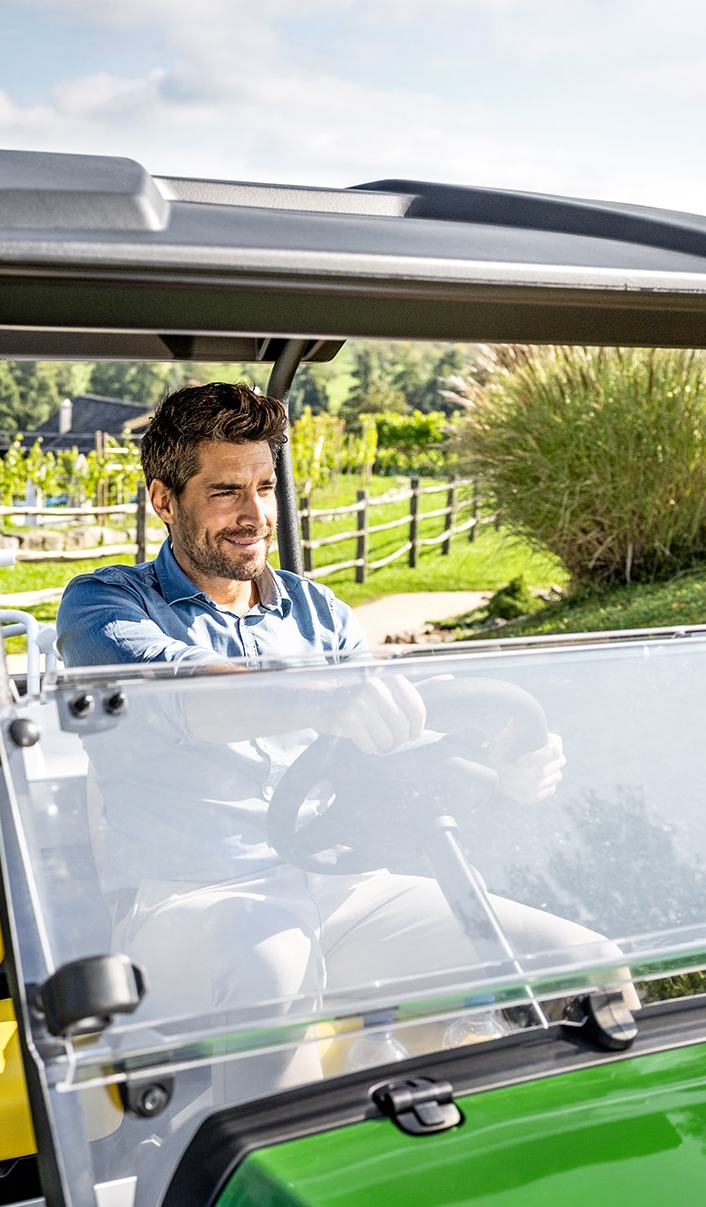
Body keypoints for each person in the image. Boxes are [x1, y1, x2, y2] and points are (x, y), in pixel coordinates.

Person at [52, 384, 619, 1081]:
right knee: (274, 962)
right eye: (226, 490)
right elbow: (189, 695)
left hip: (340, 886)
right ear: (163, 500)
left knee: (585, 966)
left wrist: (499, 767)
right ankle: (261, 1181)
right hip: (187, 900)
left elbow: (389, 746)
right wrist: (325, 696)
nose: (255, 513)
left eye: (264, 486)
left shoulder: (317, 611)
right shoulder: (103, 604)